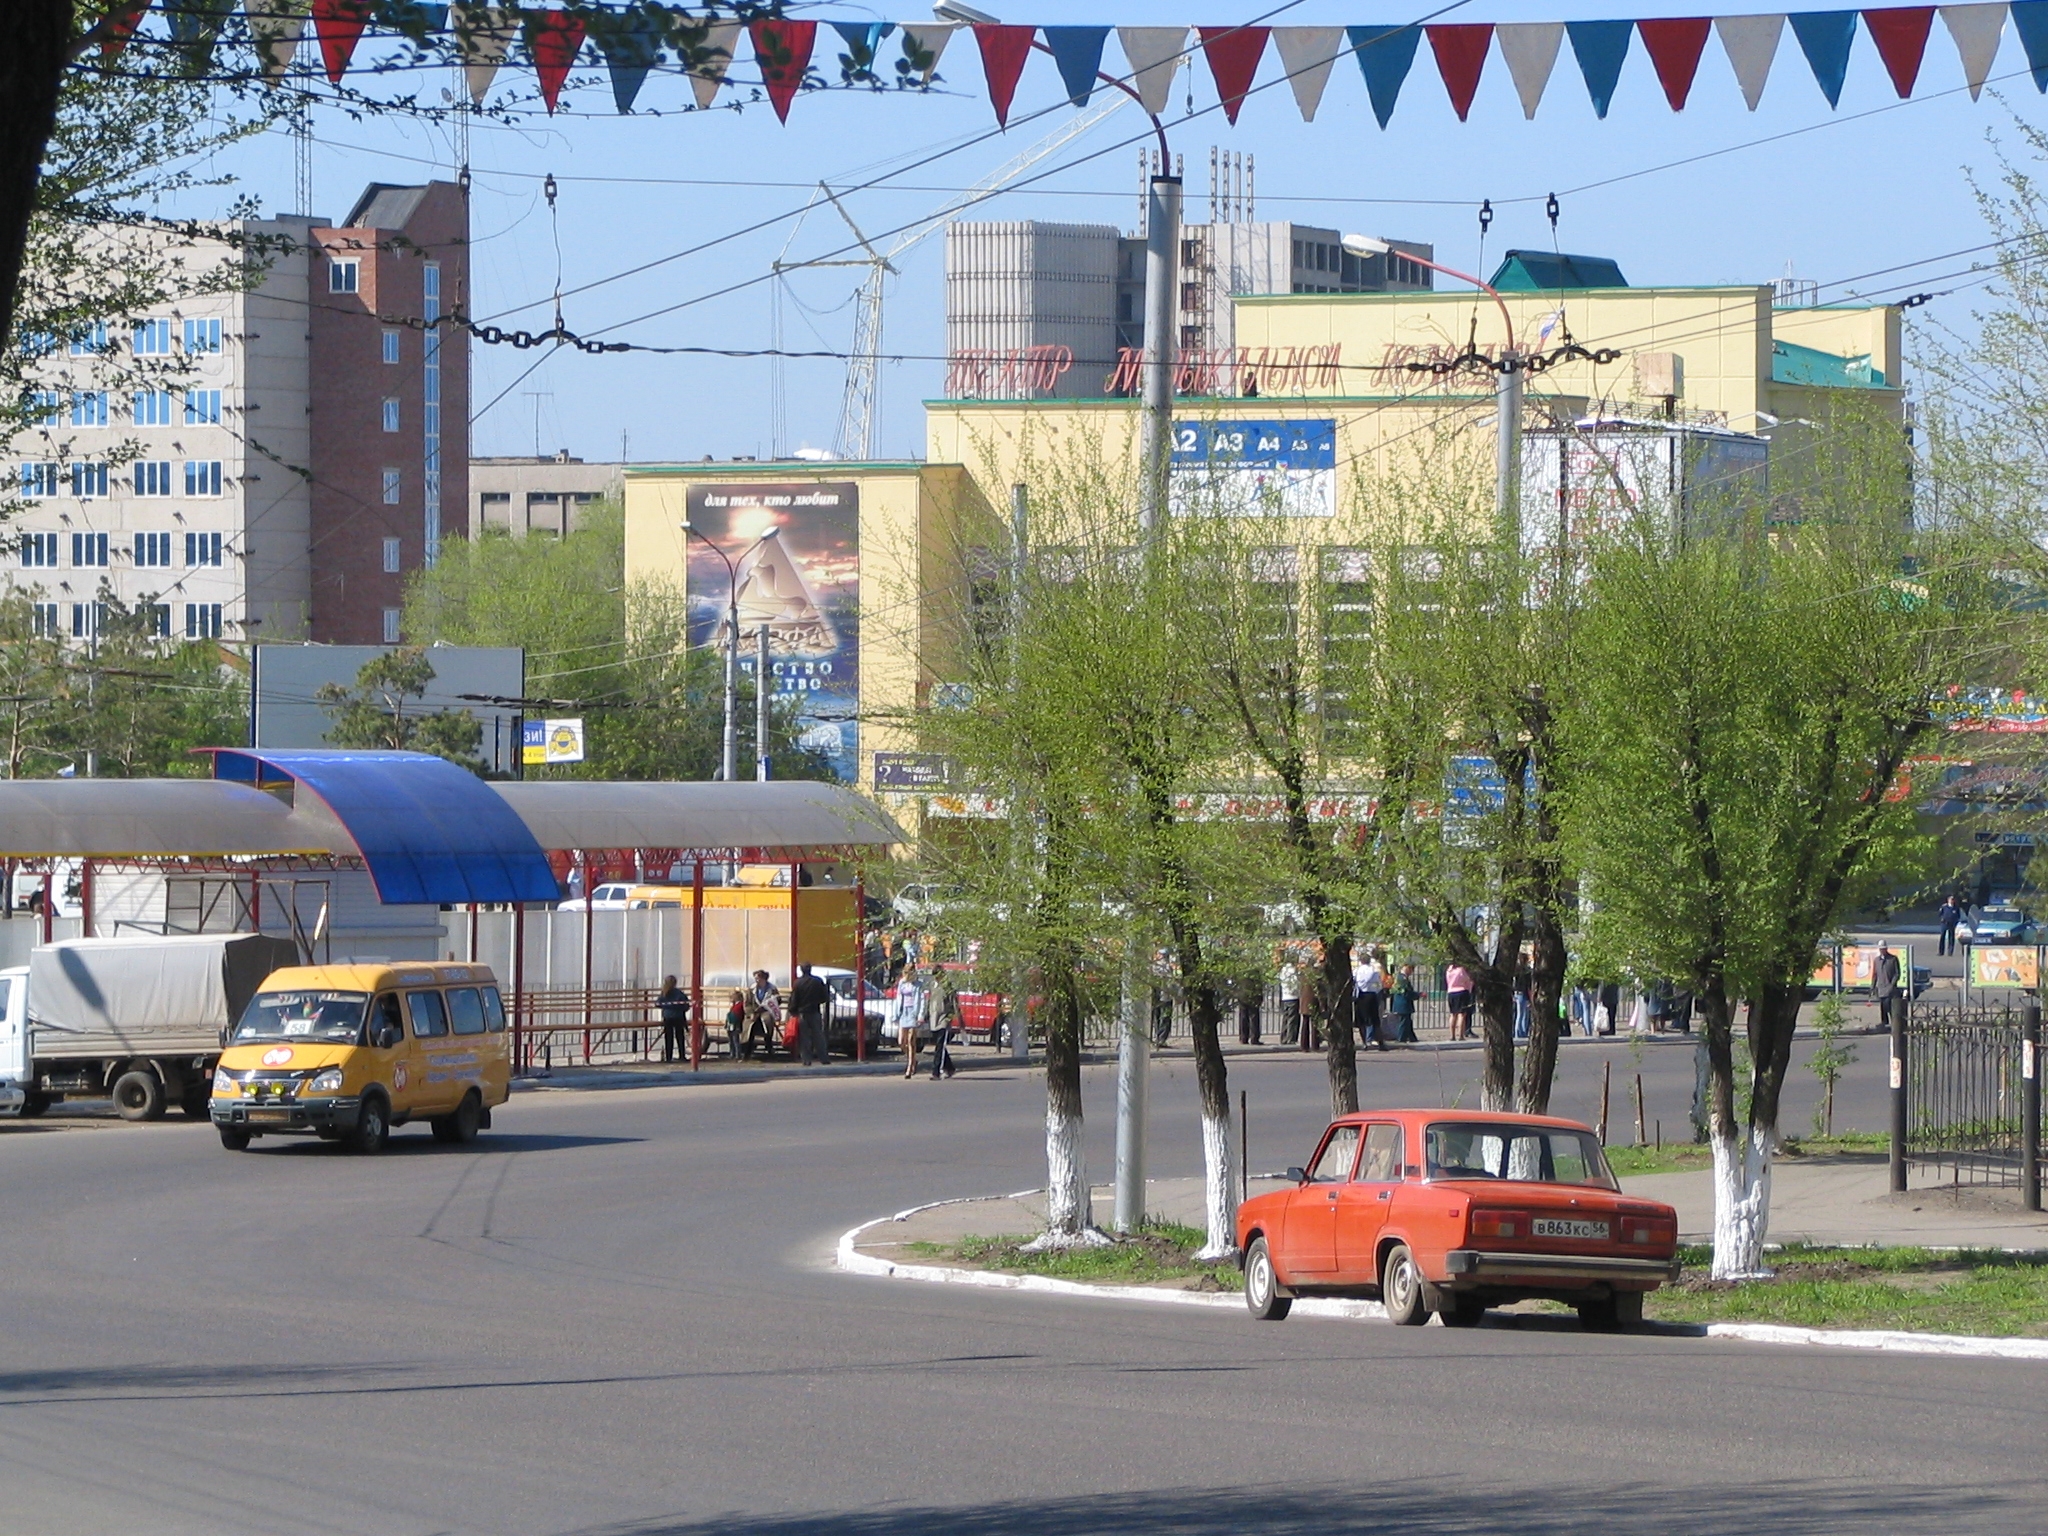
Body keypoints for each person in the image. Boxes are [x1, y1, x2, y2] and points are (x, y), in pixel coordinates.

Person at [790, 962, 832, 1067]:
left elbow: (794, 999)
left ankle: (806, 1060)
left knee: (804, 1038)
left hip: (802, 1013)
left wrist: (793, 1011)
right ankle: (824, 1058)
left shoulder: (797, 983)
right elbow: (825, 997)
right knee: (818, 1036)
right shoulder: (817, 982)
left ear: (801, 970)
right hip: (815, 1012)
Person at [927, 967, 957, 1080]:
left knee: (939, 1046)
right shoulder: (932, 985)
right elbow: (929, 1000)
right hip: (934, 1018)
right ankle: (950, 1068)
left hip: (944, 1019)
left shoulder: (948, 986)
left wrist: (952, 1017)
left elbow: (954, 1002)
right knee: (940, 1046)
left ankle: (936, 1072)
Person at [895, 969, 925, 1079]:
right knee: (901, 1041)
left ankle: (909, 1067)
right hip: (904, 1013)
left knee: (911, 1041)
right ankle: (913, 1059)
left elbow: (922, 1000)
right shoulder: (902, 983)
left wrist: (920, 1015)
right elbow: (898, 999)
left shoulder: (918, 985)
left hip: (913, 1012)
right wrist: (896, 1014)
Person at [1355, 947, 1386, 1052]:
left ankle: (1365, 1043)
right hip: (1372, 995)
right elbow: (1379, 984)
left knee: (1362, 1021)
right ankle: (1381, 1043)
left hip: (1361, 996)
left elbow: (1354, 983)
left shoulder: (1357, 971)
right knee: (1375, 1020)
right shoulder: (1373, 970)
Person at [656, 975, 689, 1064]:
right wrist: (679, 1008)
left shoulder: (664, 993)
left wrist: (666, 1007)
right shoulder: (679, 993)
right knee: (680, 1036)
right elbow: (686, 1005)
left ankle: (668, 1057)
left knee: (668, 1037)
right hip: (679, 1017)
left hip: (667, 1017)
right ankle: (682, 1055)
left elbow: (657, 1003)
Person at [1873, 944, 1902, 1031]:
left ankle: (1894, 1022)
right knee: (1883, 1005)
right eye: (1881, 949)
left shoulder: (1893, 959)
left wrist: (1892, 984)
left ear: (1886, 949)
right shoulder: (1877, 960)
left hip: (1890, 987)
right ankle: (1884, 1022)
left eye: (1884, 949)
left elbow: (1897, 973)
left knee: (1889, 1004)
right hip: (1881, 987)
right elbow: (1875, 974)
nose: (1882, 950)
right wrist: (1873, 986)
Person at [1387, 963, 1418, 1045]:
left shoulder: (1400, 977)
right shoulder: (1402, 978)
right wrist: (1418, 995)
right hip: (1403, 1004)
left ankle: (1412, 1038)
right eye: (1411, 970)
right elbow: (1407, 992)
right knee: (1404, 1022)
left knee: (1407, 1021)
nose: (1411, 972)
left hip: (1402, 1003)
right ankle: (1401, 1039)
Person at [1444, 962, 1473, 1041]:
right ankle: (1461, 1035)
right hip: (1462, 992)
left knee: (1453, 1014)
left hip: (1451, 992)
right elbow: (1467, 980)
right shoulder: (1461, 970)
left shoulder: (1449, 970)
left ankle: (1452, 1035)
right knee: (1462, 1015)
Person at [1276, 956, 1300, 1047]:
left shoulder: (1283, 969)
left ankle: (1284, 1037)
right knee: (1292, 1019)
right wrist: (1297, 991)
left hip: (1284, 996)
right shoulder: (1292, 970)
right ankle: (1291, 1038)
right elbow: (1294, 984)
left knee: (1285, 1018)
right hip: (1292, 996)